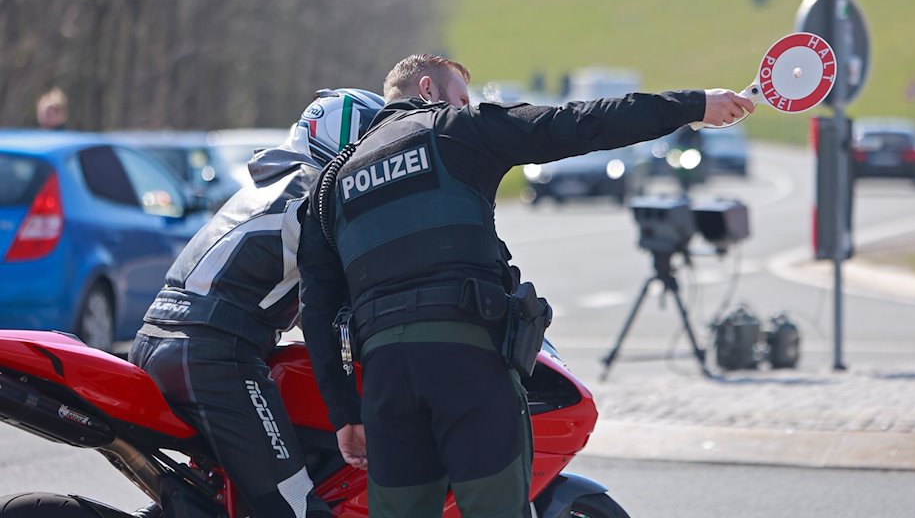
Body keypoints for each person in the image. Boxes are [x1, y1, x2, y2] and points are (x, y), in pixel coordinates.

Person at [298, 54, 754, 518]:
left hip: (385, 384)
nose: (463, 105)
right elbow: (581, 122)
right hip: (468, 361)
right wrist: (692, 105)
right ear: (429, 90)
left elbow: (316, 310)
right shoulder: (458, 129)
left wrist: (346, 414)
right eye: (459, 96)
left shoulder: (331, 184)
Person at [128, 88, 384, 518]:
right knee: (296, 508)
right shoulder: (316, 195)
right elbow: (330, 312)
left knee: (229, 500)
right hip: (213, 352)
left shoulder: (272, 182)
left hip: (162, 338)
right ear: (351, 142)